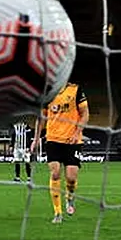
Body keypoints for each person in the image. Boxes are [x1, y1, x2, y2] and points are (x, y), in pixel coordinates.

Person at [32, 82, 89, 224]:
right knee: (55, 173)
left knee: (71, 178)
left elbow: (85, 114)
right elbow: (41, 118)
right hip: (53, 139)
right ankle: (57, 212)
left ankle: (70, 197)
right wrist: (36, 138)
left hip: (72, 141)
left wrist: (77, 133)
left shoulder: (75, 90)